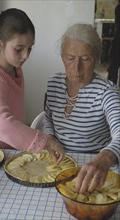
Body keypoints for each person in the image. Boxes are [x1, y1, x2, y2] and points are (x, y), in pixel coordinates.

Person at [0, 8, 64, 163]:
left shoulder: (16, 71)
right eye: (19, 49)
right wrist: (46, 141)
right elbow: (3, 126)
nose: (26, 55)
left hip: (8, 152)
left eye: (30, 48)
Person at [43, 23, 120, 193]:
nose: (76, 68)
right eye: (70, 58)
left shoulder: (106, 91)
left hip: (93, 173)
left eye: (86, 59)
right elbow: (47, 117)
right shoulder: (53, 83)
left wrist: (106, 158)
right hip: (58, 166)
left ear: (97, 59)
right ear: (63, 57)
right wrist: (50, 137)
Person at [107, 0, 120, 85]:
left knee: (113, 68)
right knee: (113, 67)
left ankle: (111, 88)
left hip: (118, 40)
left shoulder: (118, 9)